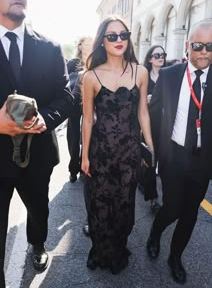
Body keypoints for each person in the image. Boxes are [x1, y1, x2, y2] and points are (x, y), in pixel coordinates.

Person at [147, 21, 212, 284]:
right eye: (198, 46)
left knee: (190, 214)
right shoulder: (170, 75)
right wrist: (151, 149)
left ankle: (175, 257)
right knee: (172, 209)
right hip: (173, 156)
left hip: (203, 159)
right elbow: (153, 114)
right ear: (188, 46)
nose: (204, 52)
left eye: (210, 47)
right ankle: (155, 232)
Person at [0, 0, 73, 287]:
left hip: (38, 155)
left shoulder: (50, 47)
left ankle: (38, 245)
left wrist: (45, 118)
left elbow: (65, 96)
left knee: (39, 211)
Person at [81, 16, 154, 274]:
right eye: (112, 36)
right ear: (103, 40)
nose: (119, 40)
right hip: (101, 152)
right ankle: (100, 250)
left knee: (124, 205)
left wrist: (151, 147)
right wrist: (84, 155)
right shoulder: (90, 77)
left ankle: (118, 247)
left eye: (123, 35)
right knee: (100, 204)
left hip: (129, 152)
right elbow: (88, 119)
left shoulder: (141, 72)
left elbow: (143, 113)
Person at [138, 45, 167, 212]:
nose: (160, 58)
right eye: (157, 55)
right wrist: (144, 99)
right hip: (148, 126)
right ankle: (153, 198)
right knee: (150, 162)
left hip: (167, 126)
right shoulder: (144, 77)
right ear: (150, 58)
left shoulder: (169, 76)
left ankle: (168, 196)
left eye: (163, 55)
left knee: (164, 163)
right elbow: (136, 103)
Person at [66, 36, 93, 183]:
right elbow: (64, 82)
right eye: (85, 43)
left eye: (91, 43)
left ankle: (84, 166)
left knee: (87, 134)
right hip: (74, 102)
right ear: (80, 46)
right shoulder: (73, 63)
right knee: (73, 137)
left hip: (89, 102)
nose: (88, 46)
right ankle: (73, 167)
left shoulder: (96, 61)